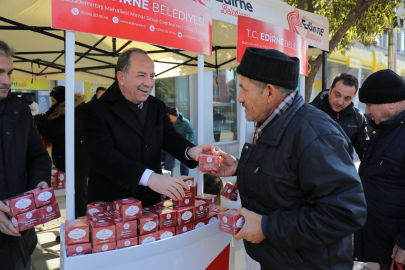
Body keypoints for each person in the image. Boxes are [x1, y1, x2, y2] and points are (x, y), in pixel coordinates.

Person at [210, 47, 367, 269]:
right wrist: (240, 166)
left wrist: (267, 227)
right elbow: (284, 174)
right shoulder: (274, 120)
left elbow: (346, 213)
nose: (239, 98)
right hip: (282, 260)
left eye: (244, 88)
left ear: (270, 93)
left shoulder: (316, 134)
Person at [82, 47, 216, 206]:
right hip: (113, 208)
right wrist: (149, 177)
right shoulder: (96, 110)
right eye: (141, 76)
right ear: (121, 77)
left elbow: (170, 137)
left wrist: (190, 151)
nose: (149, 83)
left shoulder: (157, 106)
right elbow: (103, 157)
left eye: (152, 76)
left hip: (151, 204)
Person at [0, 40, 51, 270]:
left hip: (20, 234)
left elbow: (38, 156)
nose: (6, 81)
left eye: (9, 73)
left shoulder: (20, 111)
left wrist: (39, 183)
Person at [353, 69, 405, 270]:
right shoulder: (384, 129)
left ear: (391, 102)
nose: (366, 111)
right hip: (383, 249)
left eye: (369, 105)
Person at [34, 86, 90, 218]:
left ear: (61, 100)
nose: (52, 104)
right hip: (76, 159)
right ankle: (77, 221)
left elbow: (47, 129)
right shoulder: (64, 110)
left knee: (79, 193)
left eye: (54, 101)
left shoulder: (70, 113)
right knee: (76, 192)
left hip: (77, 160)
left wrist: (36, 119)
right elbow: (48, 119)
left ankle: (80, 224)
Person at [310, 73, 369, 159]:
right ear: (330, 90)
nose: (340, 102)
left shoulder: (358, 118)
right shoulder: (311, 112)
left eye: (347, 98)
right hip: (313, 170)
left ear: (353, 97)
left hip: (343, 170)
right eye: (337, 95)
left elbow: (364, 151)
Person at [164, 107, 195, 176]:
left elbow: (192, 132)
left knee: (184, 165)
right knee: (168, 164)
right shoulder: (168, 122)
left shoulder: (185, 123)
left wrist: (188, 143)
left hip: (182, 146)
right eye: (170, 115)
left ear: (176, 116)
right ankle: (169, 179)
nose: (170, 117)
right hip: (172, 146)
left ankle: (185, 179)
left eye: (172, 116)